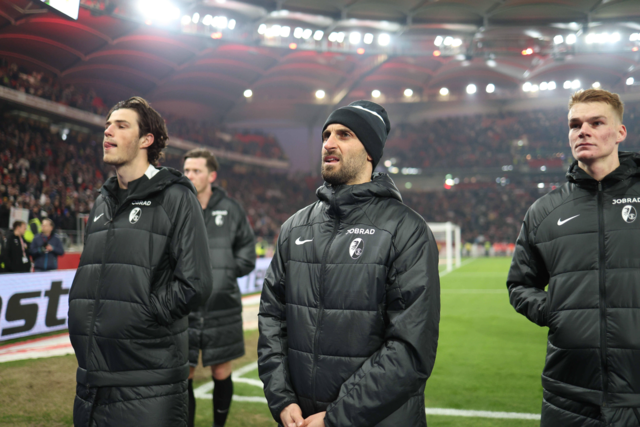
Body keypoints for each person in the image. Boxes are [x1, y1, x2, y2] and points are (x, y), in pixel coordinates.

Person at [258, 100, 441, 427]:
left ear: (370, 151)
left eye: (344, 134)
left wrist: (336, 418)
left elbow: (410, 349)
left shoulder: (406, 231)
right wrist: (281, 398)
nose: (329, 142)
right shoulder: (294, 229)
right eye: (326, 134)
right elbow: (272, 318)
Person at [68, 96, 213, 427]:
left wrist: (141, 315)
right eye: (107, 124)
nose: (108, 131)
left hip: (149, 384)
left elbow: (196, 283)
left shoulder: (175, 195)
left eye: (121, 125)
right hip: (91, 381)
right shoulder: (101, 202)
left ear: (147, 140)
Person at [508, 88, 640, 427]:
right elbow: (520, 284)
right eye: (575, 124)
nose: (584, 131)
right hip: (568, 394)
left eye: (597, 122)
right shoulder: (544, 211)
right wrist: (557, 312)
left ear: (620, 132)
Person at [182, 148, 256, 427]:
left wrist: (225, 275)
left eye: (196, 170)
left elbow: (247, 251)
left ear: (211, 175)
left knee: (222, 370)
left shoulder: (232, 209)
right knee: (183, 372)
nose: (189, 175)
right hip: (185, 306)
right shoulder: (177, 206)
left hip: (222, 305)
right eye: (186, 170)